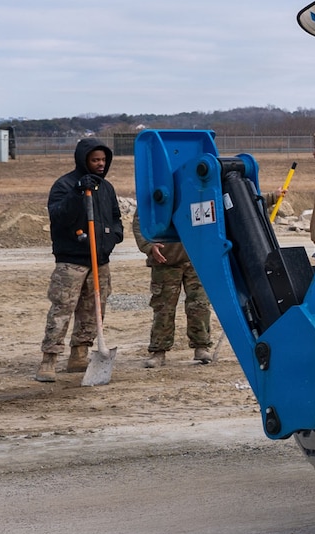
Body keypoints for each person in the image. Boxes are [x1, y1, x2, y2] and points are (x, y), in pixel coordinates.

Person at [39, 137, 124, 382]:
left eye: (103, 160)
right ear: (83, 159)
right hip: (72, 261)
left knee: (93, 309)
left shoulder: (106, 188)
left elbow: (115, 217)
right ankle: (49, 359)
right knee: (61, 309)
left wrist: (115, 235)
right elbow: (59, 216)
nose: (100, 164)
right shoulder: (65, 185)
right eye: (95, 159)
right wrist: (78, 192)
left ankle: (80, 354)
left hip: (100, 260)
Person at [137, 211, 214, 368]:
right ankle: (159, 351)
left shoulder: (197, 190)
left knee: (199, 305)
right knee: (164, 308)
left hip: (196, 259)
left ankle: (201, 347)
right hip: (165, 261)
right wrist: (149, 247)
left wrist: (272, 197)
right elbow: (140, 222)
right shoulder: (159, 190)